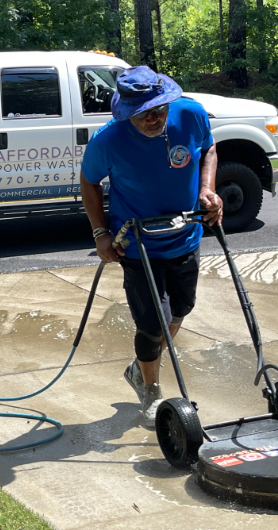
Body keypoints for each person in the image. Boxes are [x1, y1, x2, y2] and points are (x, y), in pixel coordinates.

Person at [80, 66, 223, 427]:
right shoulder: (107, 141)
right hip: (137, 243)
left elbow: (208, 149)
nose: (154, 117)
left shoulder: (190, 114)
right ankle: (151, 388)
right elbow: (89, 182)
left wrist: (207, 189)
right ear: (127, 111)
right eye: (144, 113)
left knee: (180, 311)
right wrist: (101, 234)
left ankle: (139, 367)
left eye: (159, 108)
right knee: (151, 323)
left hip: (185, 234)